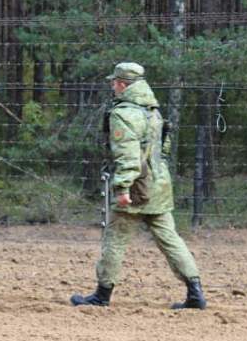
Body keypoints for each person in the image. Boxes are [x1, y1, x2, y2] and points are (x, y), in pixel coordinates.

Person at [71, 62, 206, 309]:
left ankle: (102, 295)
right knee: (170, 240)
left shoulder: (122, 115)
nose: (113, 86)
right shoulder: (153, 111)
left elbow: (128, 156)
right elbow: (163, 149)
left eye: (115, 82)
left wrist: (122, 188)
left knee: (115, 239)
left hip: (135, 189)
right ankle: (195, 292)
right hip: (159, 185)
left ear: (123, 84)